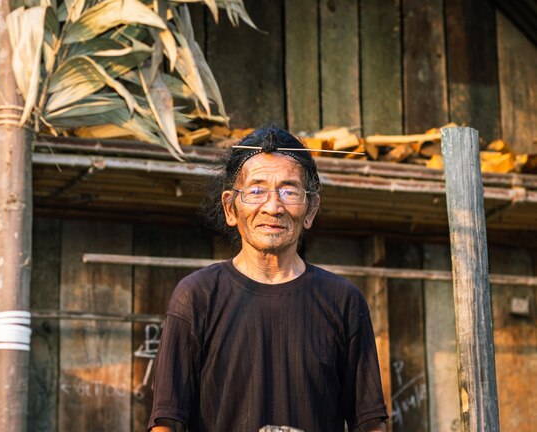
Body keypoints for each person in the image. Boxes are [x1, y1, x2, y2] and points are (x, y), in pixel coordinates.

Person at [148, 126, 388, 432]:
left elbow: (369, 424)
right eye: (256, 190)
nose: (273, 207)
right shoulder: (197, 297)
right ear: (230, 208)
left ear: (311, 209)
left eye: (288, 191)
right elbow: (166, 423)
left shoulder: (343, 302)